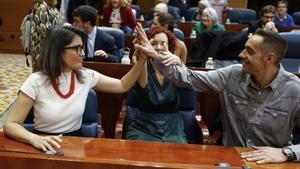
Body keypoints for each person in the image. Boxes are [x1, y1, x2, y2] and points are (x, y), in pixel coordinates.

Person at [134, 24, 300, 164]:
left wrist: (286, 153)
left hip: (273, 164)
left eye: (249, 51)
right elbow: (189, 78)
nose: (241, 54)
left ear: (269, 58)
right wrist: (155, 56)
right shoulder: (233, 74)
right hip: (231, 159)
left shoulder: (294, 90)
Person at [3, 25, 146, 153]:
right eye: (77, 48)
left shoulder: (85, 75)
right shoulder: (36, 80)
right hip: (42, 143)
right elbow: (10, 124)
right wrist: (33, 139)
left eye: (82, 47)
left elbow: (122, 85)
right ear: (58, 51)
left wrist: (141, 61)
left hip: (75, 143)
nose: (83, 53)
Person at [124, 26, 187, 143]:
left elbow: (189, 82)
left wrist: (180, 62)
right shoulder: (143, 66)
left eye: (163, 43)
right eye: (154, 44)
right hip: (144, 125)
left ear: (170, 46)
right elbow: (142, 77)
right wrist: (143, 48)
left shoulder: (176, 68)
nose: (158, 48)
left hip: (172, 125)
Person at [30, 0, 63, 71]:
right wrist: (61, 35)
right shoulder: (42, 7)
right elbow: (45, 30)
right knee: (41, 74)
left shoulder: (52, 6)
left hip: (51, 45)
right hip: (42, 47)